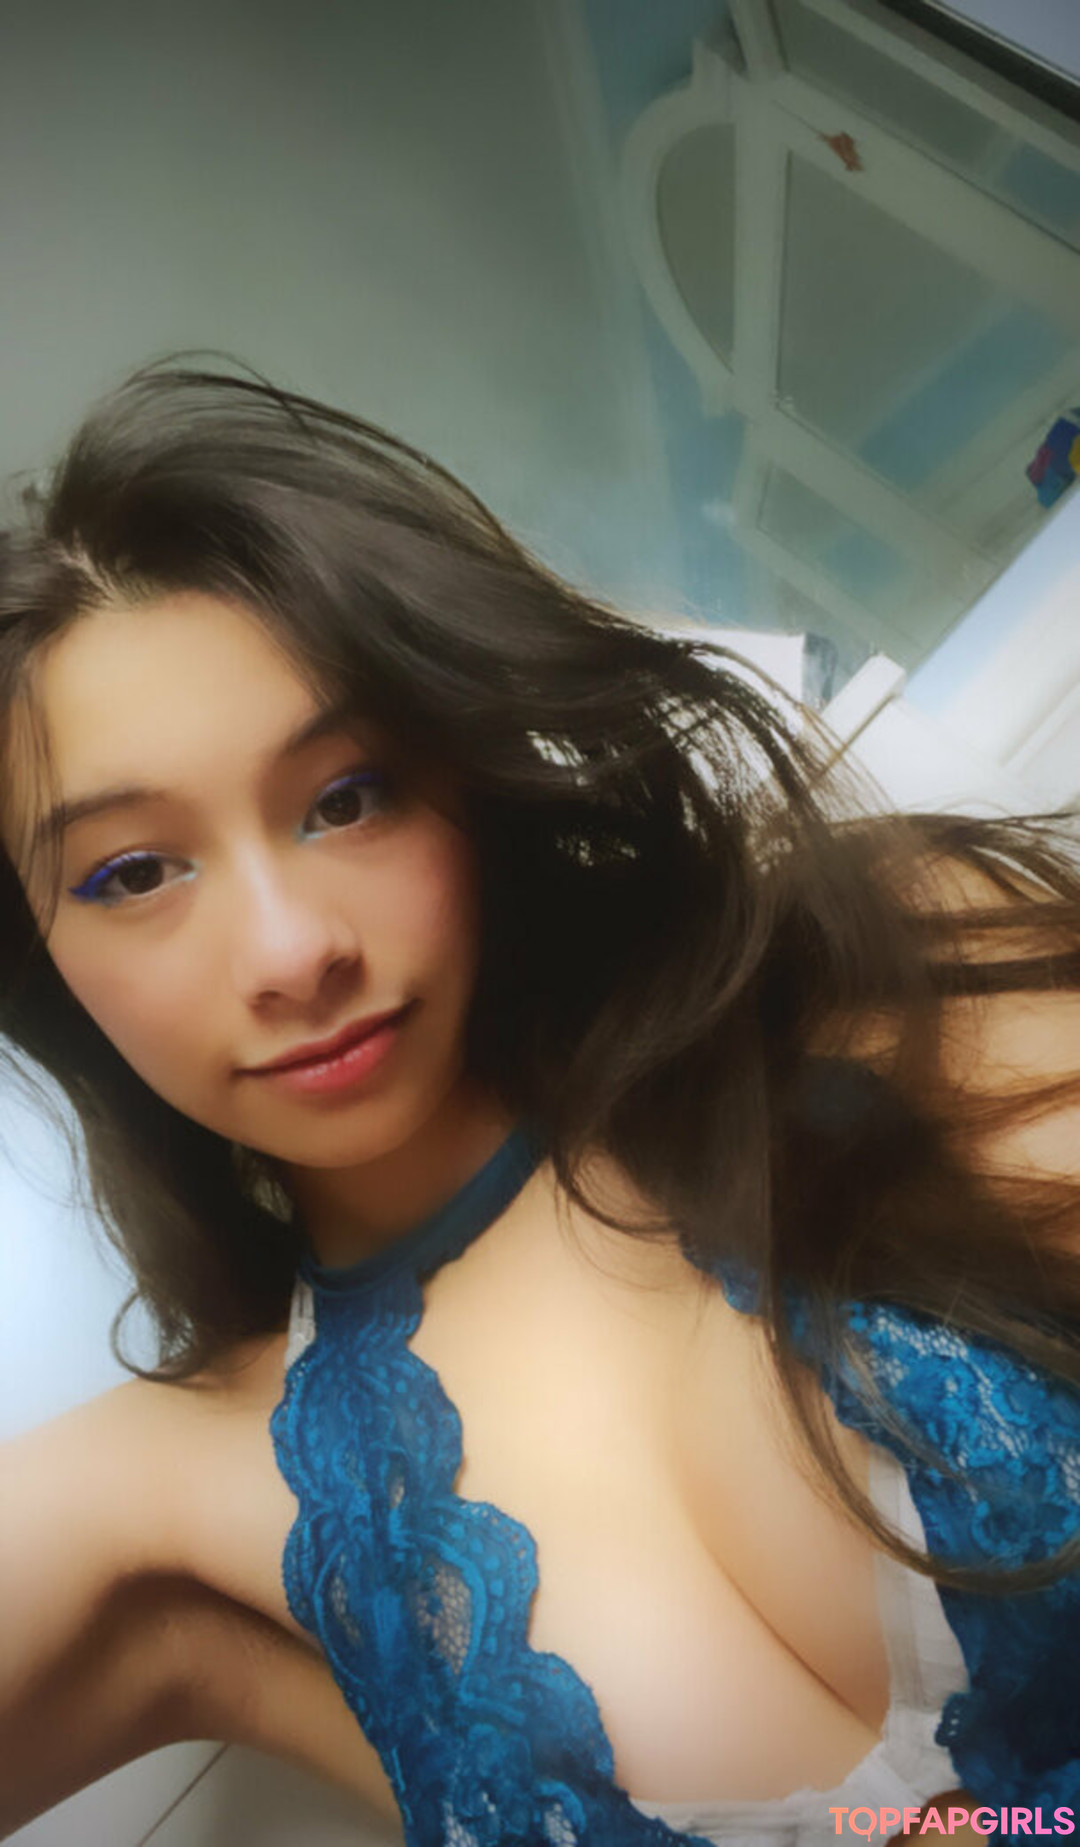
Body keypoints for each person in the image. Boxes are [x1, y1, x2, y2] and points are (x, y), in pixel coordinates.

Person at [0, 359, 1077, 1847]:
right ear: (42, 959)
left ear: (459, 768)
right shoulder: (172, 1501)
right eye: (133, 873)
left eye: (347, 796)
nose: (293, 952)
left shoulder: (871, 978)